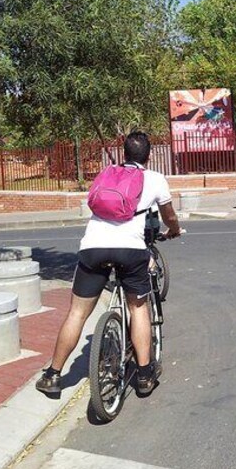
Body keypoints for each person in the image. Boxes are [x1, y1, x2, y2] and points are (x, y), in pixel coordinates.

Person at [36, 132, 182, 397]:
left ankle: (53, 375)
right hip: (131, 251)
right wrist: (174, 229)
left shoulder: (106, 173)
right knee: (138, 309)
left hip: (93, 247)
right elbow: (168, 215)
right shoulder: (155, 179)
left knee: (77, 314)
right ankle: (145, 375)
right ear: (148, 156)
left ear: (124, 153)